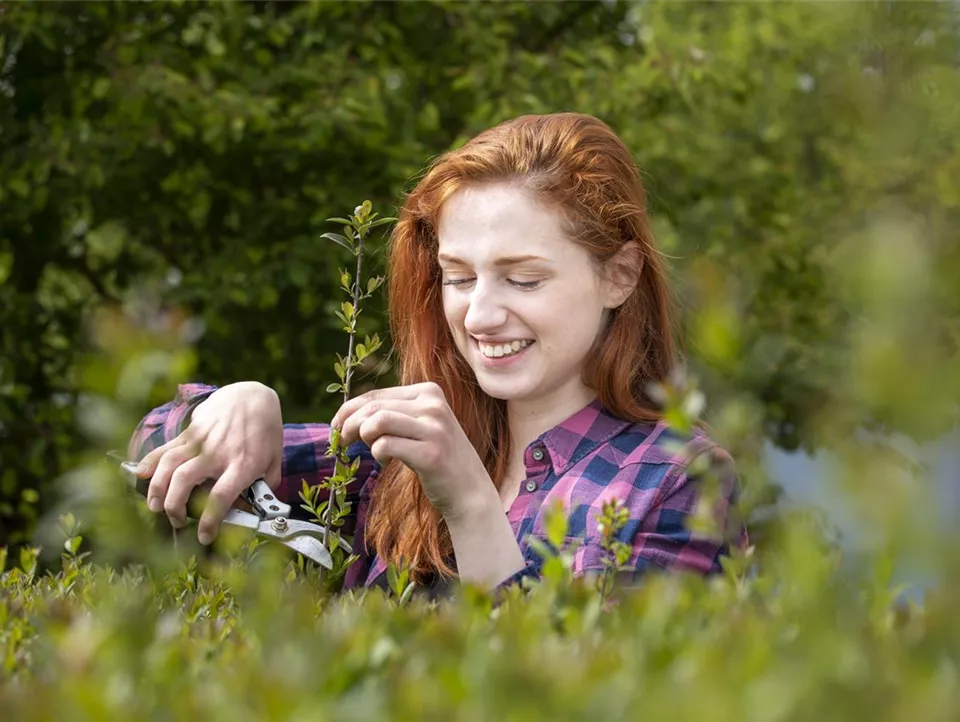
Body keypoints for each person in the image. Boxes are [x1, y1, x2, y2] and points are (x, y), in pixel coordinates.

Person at [128, 112, 747, 595]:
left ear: (619, 276)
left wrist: (471, 503)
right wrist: (232, 410)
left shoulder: (673, 483)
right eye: (458, 277)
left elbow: (600, 694)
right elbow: (151, 458)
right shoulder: (392, 464)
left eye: (523, 279)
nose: (479, 315)